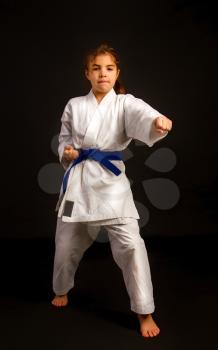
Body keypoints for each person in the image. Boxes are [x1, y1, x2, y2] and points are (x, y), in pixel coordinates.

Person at [51, 43, 172, 338]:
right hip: (79, 182)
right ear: (87, 74)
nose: (102, 73)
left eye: (108, 68)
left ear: (117, 72)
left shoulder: (124, 103)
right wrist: (66, 151)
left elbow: (142, 115)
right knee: (66, 244)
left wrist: (157, 123)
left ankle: (145, 311)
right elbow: (64, 139)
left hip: (111, 185)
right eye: (96, 68)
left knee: (132, 246)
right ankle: (61, 288)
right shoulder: (75, 105)